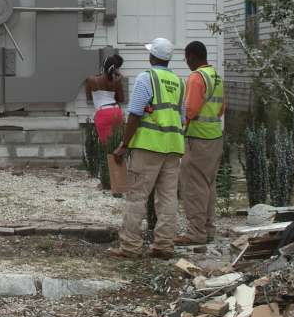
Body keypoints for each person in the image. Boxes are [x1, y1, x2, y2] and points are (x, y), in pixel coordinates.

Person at [109, 38, 186, 260]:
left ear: (152, 57)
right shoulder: (179, 82)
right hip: (173, 148)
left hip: (149, 146)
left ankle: (131, 247)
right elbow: (180, 117)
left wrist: (124, 144)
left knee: (137, 196)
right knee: (168, 198)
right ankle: (164, 245)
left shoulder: (147, 78)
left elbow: (135, 114)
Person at [176, 41, 226, 246]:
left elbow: (190, 110)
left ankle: (196, 232)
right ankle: (208, 229)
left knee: (194, 186)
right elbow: (222, 108)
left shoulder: (196, 78)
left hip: (198, 139)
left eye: (186, 58)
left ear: (191, 56)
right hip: (215, 137)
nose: (186, 62)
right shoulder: (216, 76)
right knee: (208, 185)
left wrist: (179, 126)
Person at [85, 54, 126, 195]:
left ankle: (107, 183)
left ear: (103, 66)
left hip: (102, 114)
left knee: (105, 149)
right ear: (115, 69)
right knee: (117, 148)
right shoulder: (116, 81)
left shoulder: (91, 80)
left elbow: (89, 98)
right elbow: (121, 99)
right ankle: (120, 184)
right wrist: (118, 78)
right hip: (116, 111)